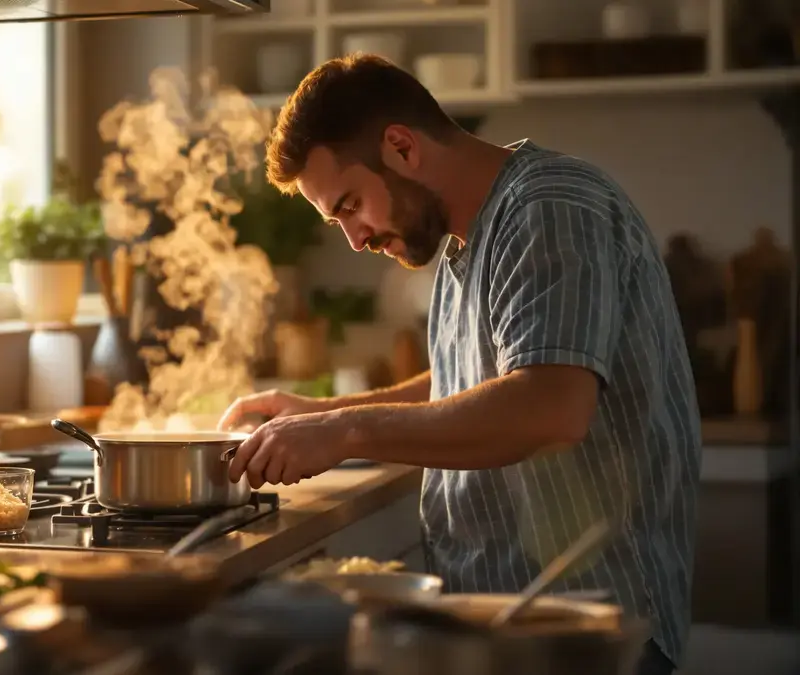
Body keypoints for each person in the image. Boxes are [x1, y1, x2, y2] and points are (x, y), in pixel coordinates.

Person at [218, 54, 701, 675]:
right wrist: (324, 410)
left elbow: (548, 408)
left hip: (583, 632)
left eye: (349, 205)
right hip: (506, 623)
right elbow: (472, 385)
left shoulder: (549, 207)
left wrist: (345, 433)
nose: (355, 238)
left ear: (401, 147)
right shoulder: (463, 237)